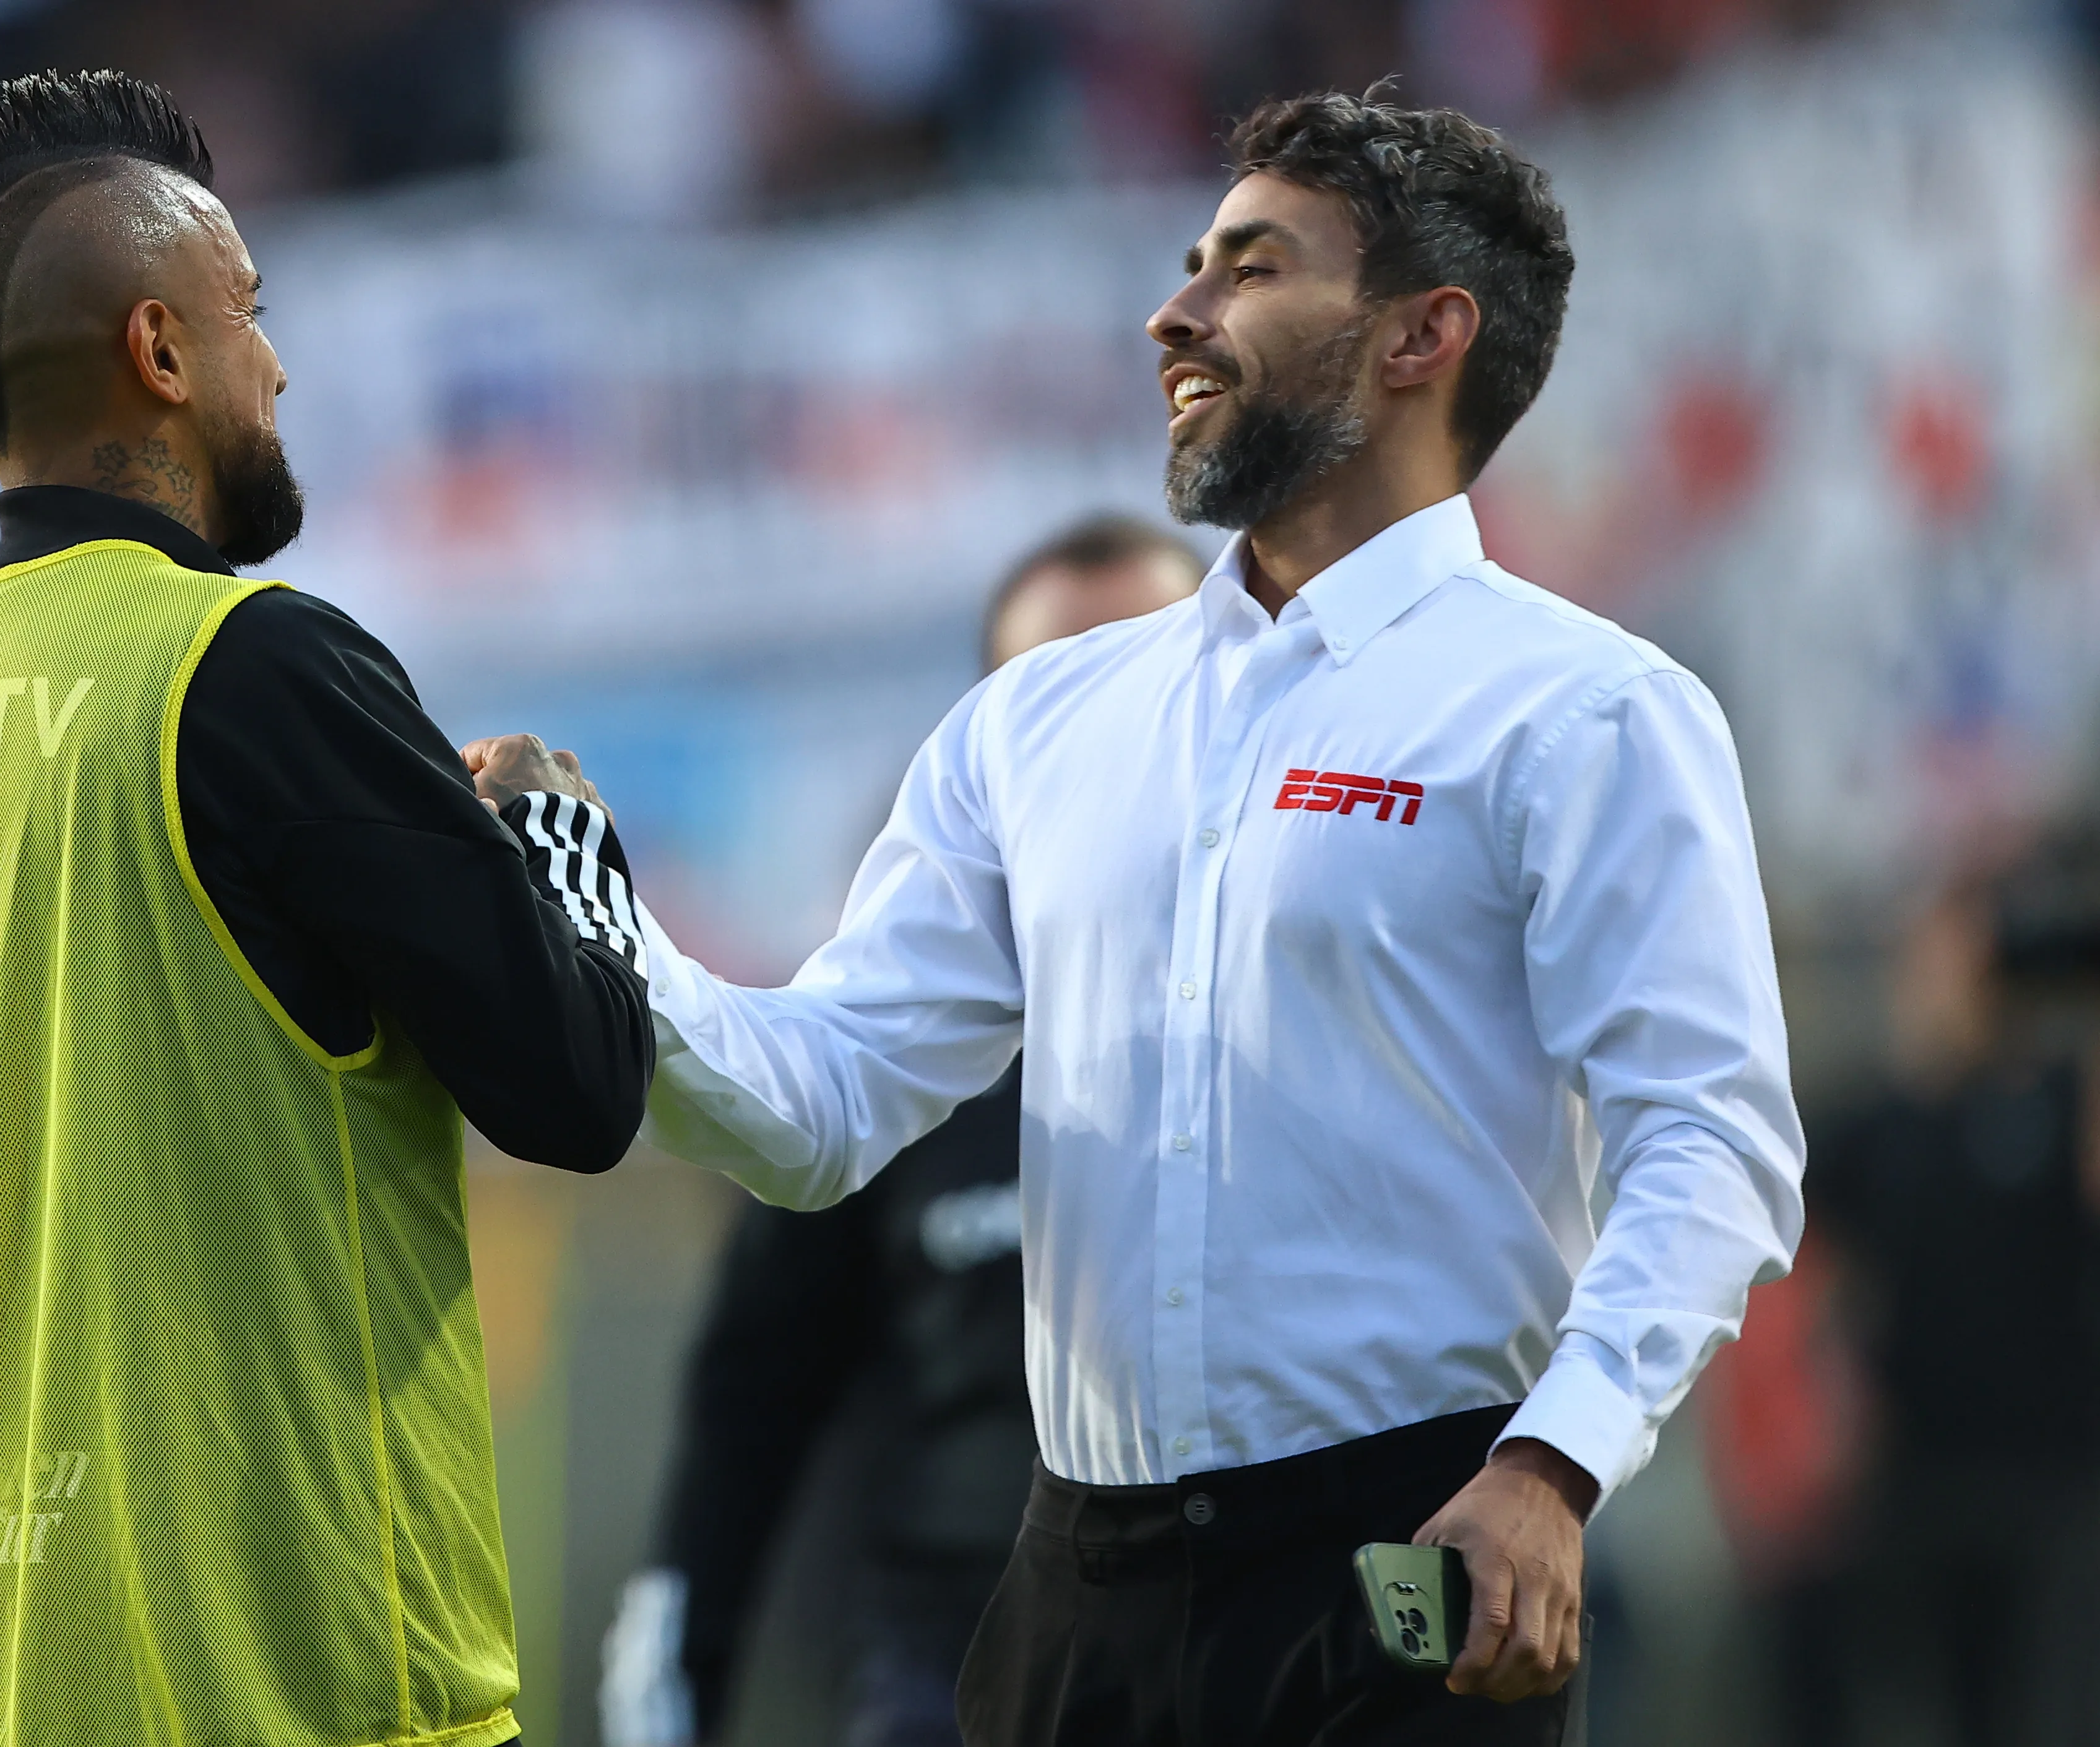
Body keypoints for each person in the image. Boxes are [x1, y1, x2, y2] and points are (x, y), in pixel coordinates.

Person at [557, 90, 1805, 1746]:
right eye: (1192, 262)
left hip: (1410, 1555)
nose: (1177, 310)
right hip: (1076, 1582)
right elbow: (821, 1104)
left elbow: (1710, 1140)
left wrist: (1552, 1460)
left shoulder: (1587, 709)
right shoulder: (1038, 719)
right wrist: (590, 914)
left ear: (1424, 335)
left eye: (1251, 267)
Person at [0, 71, 651, 1747]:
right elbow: (578, 1087)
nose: (279, 361)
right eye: (247, 311)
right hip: (291, 1677)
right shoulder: (256, 662)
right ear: (160, 352)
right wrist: (561, 839)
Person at [598, 515, 1204, 1747]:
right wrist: (681, 1641)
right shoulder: (880, 1055)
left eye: (1148, 683)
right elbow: (758, 1382)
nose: (1107, 750)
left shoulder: (1341, 1014)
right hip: (958, 1664)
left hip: (1273, 1654)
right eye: (1056, 693)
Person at [1796, 861, 2100, 1746]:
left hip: (2051, 1477)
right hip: (1905, 1475)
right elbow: (1794, 1268)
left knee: (2040, 1709)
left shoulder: (2059, 1097)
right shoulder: (1870, 1121)